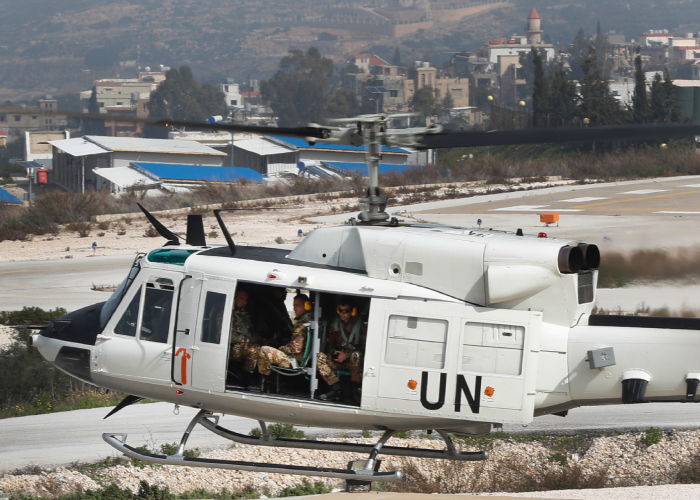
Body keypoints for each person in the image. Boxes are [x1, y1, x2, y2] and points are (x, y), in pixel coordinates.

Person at [317, 299, 366, 403]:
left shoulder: (361, 326)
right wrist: (334, 354)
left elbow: (365, 348)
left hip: (353, 362)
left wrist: (347, 355)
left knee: (356, 356)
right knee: (320, 357)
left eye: (346, 311)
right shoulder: (335, 325)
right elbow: (329, 344)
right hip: (339, 359)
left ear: (352, 311)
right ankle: (336, 388)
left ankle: (356, 390)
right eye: (340, 310)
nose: (342, 314)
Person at [257, 293, 313, 378]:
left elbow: (295, 348)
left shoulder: (302, 324)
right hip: (301, 358)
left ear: (306, 306)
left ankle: (265, 380)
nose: (294, 308)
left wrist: (280, 348)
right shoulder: (310, 319)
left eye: (297, 305)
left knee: (264, 350)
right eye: (294, 305)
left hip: (294, 360)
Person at [228, 289, 262, 385]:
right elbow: (227, 336)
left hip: (244, 346)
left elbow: (251, 332)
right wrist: (248, 340)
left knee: (265, 348)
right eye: (241, 298)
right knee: (253, 350)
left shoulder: (245, 315)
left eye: (246, 299)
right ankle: (248, 377)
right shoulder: (227, 314)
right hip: (231, 348)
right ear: (234, 298)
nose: (244, 301)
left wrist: (260, 339)